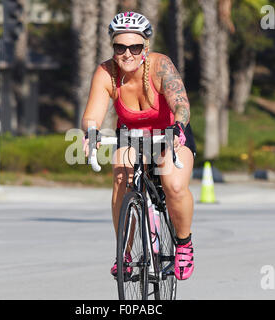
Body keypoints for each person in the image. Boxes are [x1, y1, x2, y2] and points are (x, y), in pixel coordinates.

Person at [82, 12, 196, 281]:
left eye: (134, 47)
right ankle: (125, 252)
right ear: (113, 47)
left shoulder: (160, 66)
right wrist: (91, 133)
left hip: (169, 132)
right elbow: (92, 115)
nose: (127, 54)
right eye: (120, 47)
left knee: (173, 184)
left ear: (145, 46)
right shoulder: (106, 73)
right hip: (132, 135)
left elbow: (181, 104)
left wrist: (177, 127)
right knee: (122, 177)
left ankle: (184, 244)